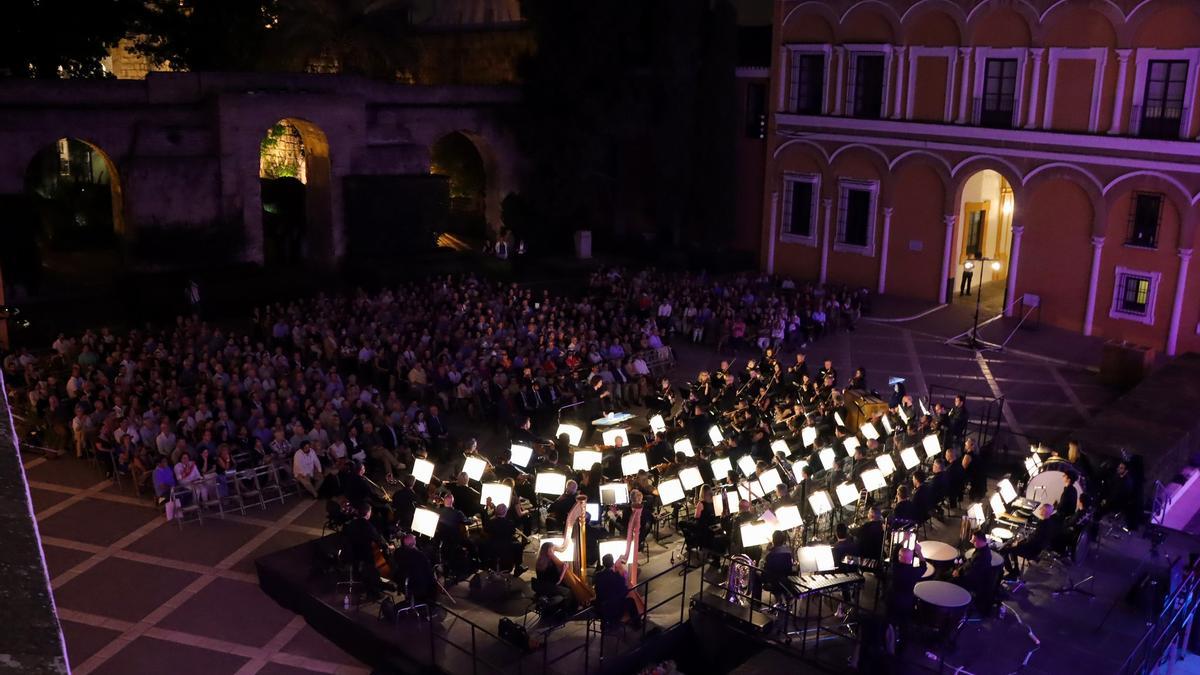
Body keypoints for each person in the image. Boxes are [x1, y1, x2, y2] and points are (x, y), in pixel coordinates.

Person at [343, 503, 394, 594]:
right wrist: (388, 546)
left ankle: (358, 578)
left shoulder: (352, 523)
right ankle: (373, 588)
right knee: (372, 566)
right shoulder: (368, 526)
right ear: (368, 513)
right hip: (363, 554)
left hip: (350, 552)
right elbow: (378, 540)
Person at [1002, 504, 1059, 579]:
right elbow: (1034, 538)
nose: (1040, 509)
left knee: (1005, 550)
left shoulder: (1042, 525)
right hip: (1037, 548)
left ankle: (1012, 573)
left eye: (1041, 508)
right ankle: (1015, 569)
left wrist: (1018, 544)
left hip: (1032, 551)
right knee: (1013, 547)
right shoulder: (1050, 522)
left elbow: (1031, 542)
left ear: (1044, 511)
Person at [593, 554, 640, 628]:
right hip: (614, 609)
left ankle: (605, 623)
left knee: (607, 599)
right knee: (631, 601)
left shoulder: (598, 575)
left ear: (603, 563)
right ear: (612, 563)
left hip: (600, 609)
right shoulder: (616, 576)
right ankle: (637, 625)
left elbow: (597, 590)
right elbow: (624, 592)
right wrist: (624, 577)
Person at [533, 541, 579, 611]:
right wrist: (564, 569)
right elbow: (557, 582)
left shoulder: (539, 561)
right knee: (569, 591)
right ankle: (568, 611)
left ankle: (554, 609)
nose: (554, 552)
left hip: (541, 587)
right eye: (553, 550)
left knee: (563, 590)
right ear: (550, 551)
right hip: (549, 588)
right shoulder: (550, 564)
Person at [393, 533, 436, 605]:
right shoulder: (420, 556)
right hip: (418, 587)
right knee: (432, 581)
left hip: (404, 584)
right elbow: (428, 573)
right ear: (414, 543)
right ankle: (429, 604)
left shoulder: (397, 552)